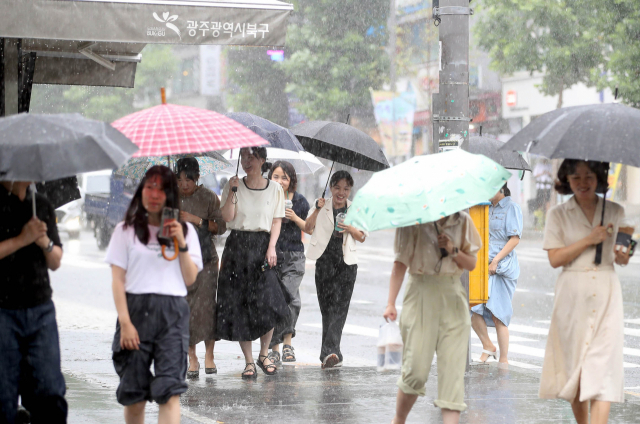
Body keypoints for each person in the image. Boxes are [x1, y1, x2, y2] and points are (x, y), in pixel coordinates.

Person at [105, 166, 203, 424]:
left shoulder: (186, 232)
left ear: (170, 195)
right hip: (135, 312)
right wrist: (125, 322)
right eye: (149, 186)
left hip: (172, 314)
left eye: (162, 188)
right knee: (134, 392)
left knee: (170, 391)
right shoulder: (124, 231)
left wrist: (180, 242)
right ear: (141, 191)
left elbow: (190, 278)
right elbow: (117, 281)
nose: (154, 193)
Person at [539, 160, 629, 424]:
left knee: (604, 371)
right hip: (572, 295)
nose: (582, 182)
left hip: (607, 292)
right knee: (576, 369)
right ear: (566, 180)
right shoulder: (558, 214)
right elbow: (555, 259)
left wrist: (623, 253)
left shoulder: (615, 211)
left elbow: (624, 257)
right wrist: (589, 240)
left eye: (589, 176)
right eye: (575, 177)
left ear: (599, 178)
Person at [383, 211, 481, 424]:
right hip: (420, 293)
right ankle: (399, 420)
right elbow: (400, 263)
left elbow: (472, 263)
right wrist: (391, 302)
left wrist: (453, 250)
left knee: (452, 378)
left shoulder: (463, 221)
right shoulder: (412, 220)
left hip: (452, 297)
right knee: (415, 371)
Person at [218, 147, 288, 379]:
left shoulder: (275, 188)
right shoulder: (233, 184)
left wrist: (271, 247)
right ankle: (249, 362)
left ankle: (264, 353)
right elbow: (227, 217)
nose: (247, 161)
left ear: (262, 160)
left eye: (252, 157)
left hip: (262, 246)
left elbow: (277, 221)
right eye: (243, 157)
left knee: (269, 303)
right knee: (240, 305)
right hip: (237, 246)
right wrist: (233, 191)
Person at [0, 181, 67, 424]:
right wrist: (22, 238)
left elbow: (56, 261)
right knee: (4, 397)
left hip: (40, 309)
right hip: (3, 311)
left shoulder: (42, 205)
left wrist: (44, 242)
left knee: (50, 393)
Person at [305, 171, 367, 369]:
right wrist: (316, 209)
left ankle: (329, 351)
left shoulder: (354, 209)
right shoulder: (321, 204)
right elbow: (307, 228)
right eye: (338, 187)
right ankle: (332, 353)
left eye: (346, 188)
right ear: (331, 187)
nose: (342, 192)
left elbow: (362, 236)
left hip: (346, 263)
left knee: (340, 308)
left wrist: (349, 227)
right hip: (324, 261)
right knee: (327, 309)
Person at [176, 158, 227, 378]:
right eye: (180, 179)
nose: (184, 184)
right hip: (179, 260)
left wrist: (196, 219)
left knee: (207, 308)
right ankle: (192, 358)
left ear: (197, 177)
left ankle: (209, 355)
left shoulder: (208, 198)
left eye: (188, 179)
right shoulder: (171, 198)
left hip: (206, 259)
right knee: (185, 308)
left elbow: (220, 227)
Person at [471, 183, 523, 364]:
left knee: (498, 313)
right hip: (484, 265)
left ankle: (504, 359)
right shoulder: (486, 207)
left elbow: (514, 238)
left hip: (501, 267)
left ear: (500, 188)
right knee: (474, 308)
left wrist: (496, 260)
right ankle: (488, 346)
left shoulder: (511, 208)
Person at [266, 161, 311, 365]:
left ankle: (286, 342)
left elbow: (309, 228)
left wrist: (293, 217)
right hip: (273, 255)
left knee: (288, 296)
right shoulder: (266, 198)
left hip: (294, 255)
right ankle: (276, 347)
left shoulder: (300, 201)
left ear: (291, 180)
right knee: (282, 300)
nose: (280, 181)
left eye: (285, 177)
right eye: (276, 176)